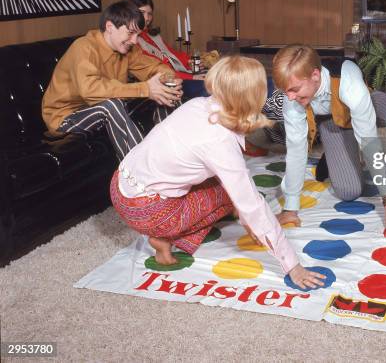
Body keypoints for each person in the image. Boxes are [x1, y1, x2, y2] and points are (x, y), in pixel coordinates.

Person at [110, 55, 326, 290]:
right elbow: (251, 204)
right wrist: (293, 265)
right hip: (144, 210)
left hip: (119, 183)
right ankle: (164, 236)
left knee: (232, 192)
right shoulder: (219, 141)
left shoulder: (196, 105)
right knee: (230, 199)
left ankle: (169, 228)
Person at [272, 45, 386, 240]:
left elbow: (369, 142)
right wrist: (290, 206)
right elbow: (296, 150)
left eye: (294, 89)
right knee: (349, 191)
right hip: (333, 122)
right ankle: (333, 154)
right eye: (286, 91)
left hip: (365, 105)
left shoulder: (349, 81)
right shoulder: (291, 100)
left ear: (315, 75)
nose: (290, 97)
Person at [42, 0, 183, 160]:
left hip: (99, 106)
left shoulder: (128, 49)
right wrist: (145, 89)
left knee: (165, 93)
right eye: (130, 33)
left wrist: (168, 80)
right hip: (65, 118)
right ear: (110, 27)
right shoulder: (84, 47)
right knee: (111, 106)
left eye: (138, 34)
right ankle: (142, 170)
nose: (135, 41)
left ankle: (172, 157)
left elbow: (154, 67)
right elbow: (90, 90)